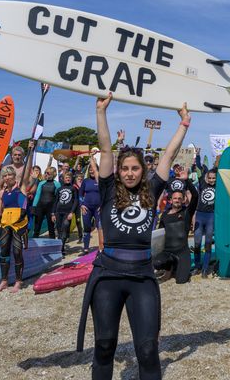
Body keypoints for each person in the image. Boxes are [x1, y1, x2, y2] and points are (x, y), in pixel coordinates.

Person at [76, 93, 189, 379]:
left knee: (149, 349)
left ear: (143, 170)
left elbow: (169, 156)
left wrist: (183, 125)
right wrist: (101, 112)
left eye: (134, 168)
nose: (129, 173)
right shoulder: (107, 190)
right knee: (104, 346)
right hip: (107, 275)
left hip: (142, 275)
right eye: (124, 168)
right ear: (118, 170)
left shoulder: (151, 190)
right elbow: (104, 147)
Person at [0, 141, 36, 293]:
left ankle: (18, 281)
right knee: (3, 251)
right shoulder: (1, 193)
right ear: (3, 177)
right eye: (6, 175)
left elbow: (28, 168)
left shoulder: (21, 187)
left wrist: (31, 150)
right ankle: (3, 281)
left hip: (18, 224)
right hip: (5, 224)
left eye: (10, 174)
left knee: (17, 251)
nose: (8, 177)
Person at [155, 170, 199, 284]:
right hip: (168, 251)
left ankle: (179, 267)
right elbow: (160, 234)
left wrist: (187, 180)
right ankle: (170, 267)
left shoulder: (187, 212)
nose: (177, 200)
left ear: (183, 200)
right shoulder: (164, 215)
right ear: (170, 200)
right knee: (156, 262)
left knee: (181, 281)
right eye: (175, 198)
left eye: (180, 198)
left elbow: (195, 196)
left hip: (182, 251)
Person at [193, 168, 216, 278]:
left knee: (207, 243)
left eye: (214, 178)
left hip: (211, 216)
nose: (211, 180)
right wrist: (197, 156)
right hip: (200, 215)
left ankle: (205, 269)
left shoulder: (218, 187)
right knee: (197, 243)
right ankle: (197, 266)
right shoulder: (202, 183)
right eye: (210, 178)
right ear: (207, 178)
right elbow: (199, 169)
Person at [52, 171, 78, 254]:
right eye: (66, 177)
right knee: (59, 231)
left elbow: (76, 201)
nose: (68, 179)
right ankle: (61, 249)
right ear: (63, 179)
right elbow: (55, 202)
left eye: (69, 178)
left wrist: (72, 212)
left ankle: (61, 248)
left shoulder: (73, 188)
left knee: (65, 228)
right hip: (58, 212)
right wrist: (53, 213)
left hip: (68, 212)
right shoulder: (59, 189)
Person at [80, 161, 102, 255]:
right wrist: (82, 204)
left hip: (98, 209)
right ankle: (86, 248)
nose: (92, 171)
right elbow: (80, 194)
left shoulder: (101, 180)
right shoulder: (85, 181)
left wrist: (102, 205)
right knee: (86, 227)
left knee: (100, 227)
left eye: (94, 169)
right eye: (90, 169)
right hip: (87, 208)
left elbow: (106, 194)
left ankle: (101, 247)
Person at [31, 167, 59, 239]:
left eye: (48, 173)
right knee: (37, 227)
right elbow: (37, 195)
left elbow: (57, 198)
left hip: (50, 208)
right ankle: (34, 243)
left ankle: (52, 244)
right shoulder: (41, 183)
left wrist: (55, 210)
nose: (46, 174)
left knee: (51, 227)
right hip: (40, 207)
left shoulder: (57, 184)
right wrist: (34, 206)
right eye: (45, 172)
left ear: (53, 174)